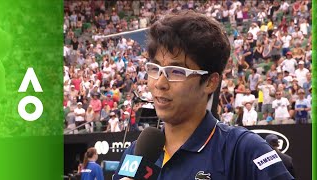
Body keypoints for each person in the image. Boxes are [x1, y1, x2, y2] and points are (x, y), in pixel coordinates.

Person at [114, 10, 293, 180]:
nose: (159, 83)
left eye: (176, 71)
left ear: (210, 82)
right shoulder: (136, 153)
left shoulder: (243, 150)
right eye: (155, 69)